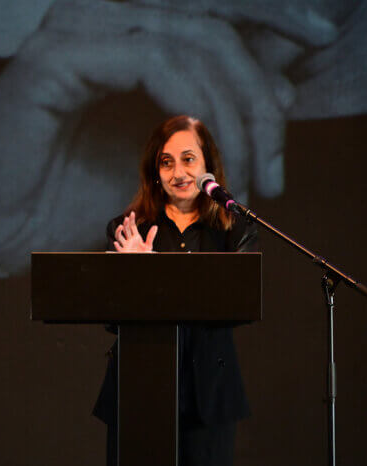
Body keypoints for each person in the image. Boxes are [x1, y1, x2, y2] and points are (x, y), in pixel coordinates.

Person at [92, 115, 258, 466]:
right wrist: (132, 273)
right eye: (166, 162)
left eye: (188, 159)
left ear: (208, 166)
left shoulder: (234, 228)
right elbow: (110, 317)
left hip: (208, 393)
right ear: (155, 171)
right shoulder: (129, 229)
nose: (178, 173)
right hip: (138, 389)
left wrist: (154, 279)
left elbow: (238, 306)